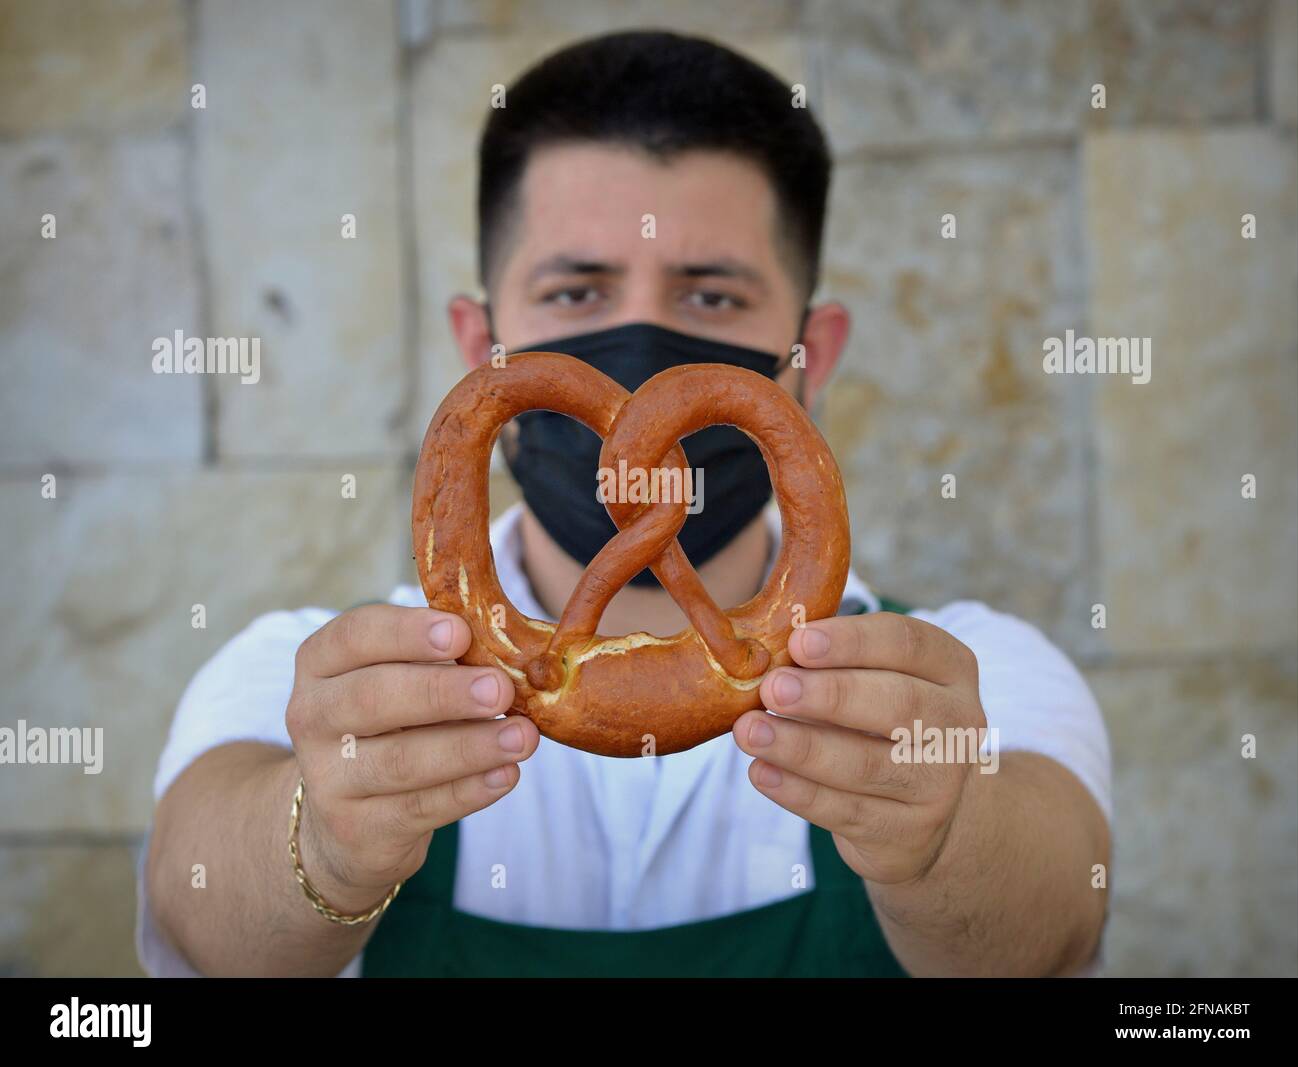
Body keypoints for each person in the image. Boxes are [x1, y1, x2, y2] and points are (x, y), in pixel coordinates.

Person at [139, 30, 1111, 978]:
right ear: (481, 345)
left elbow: (1048, 927)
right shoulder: (313, 683)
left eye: (712, 299)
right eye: (574, 294)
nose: (643, 344)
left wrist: (943, 837)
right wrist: (324, 841)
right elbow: (205, 921)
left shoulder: (971, 681)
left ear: (813, 355)